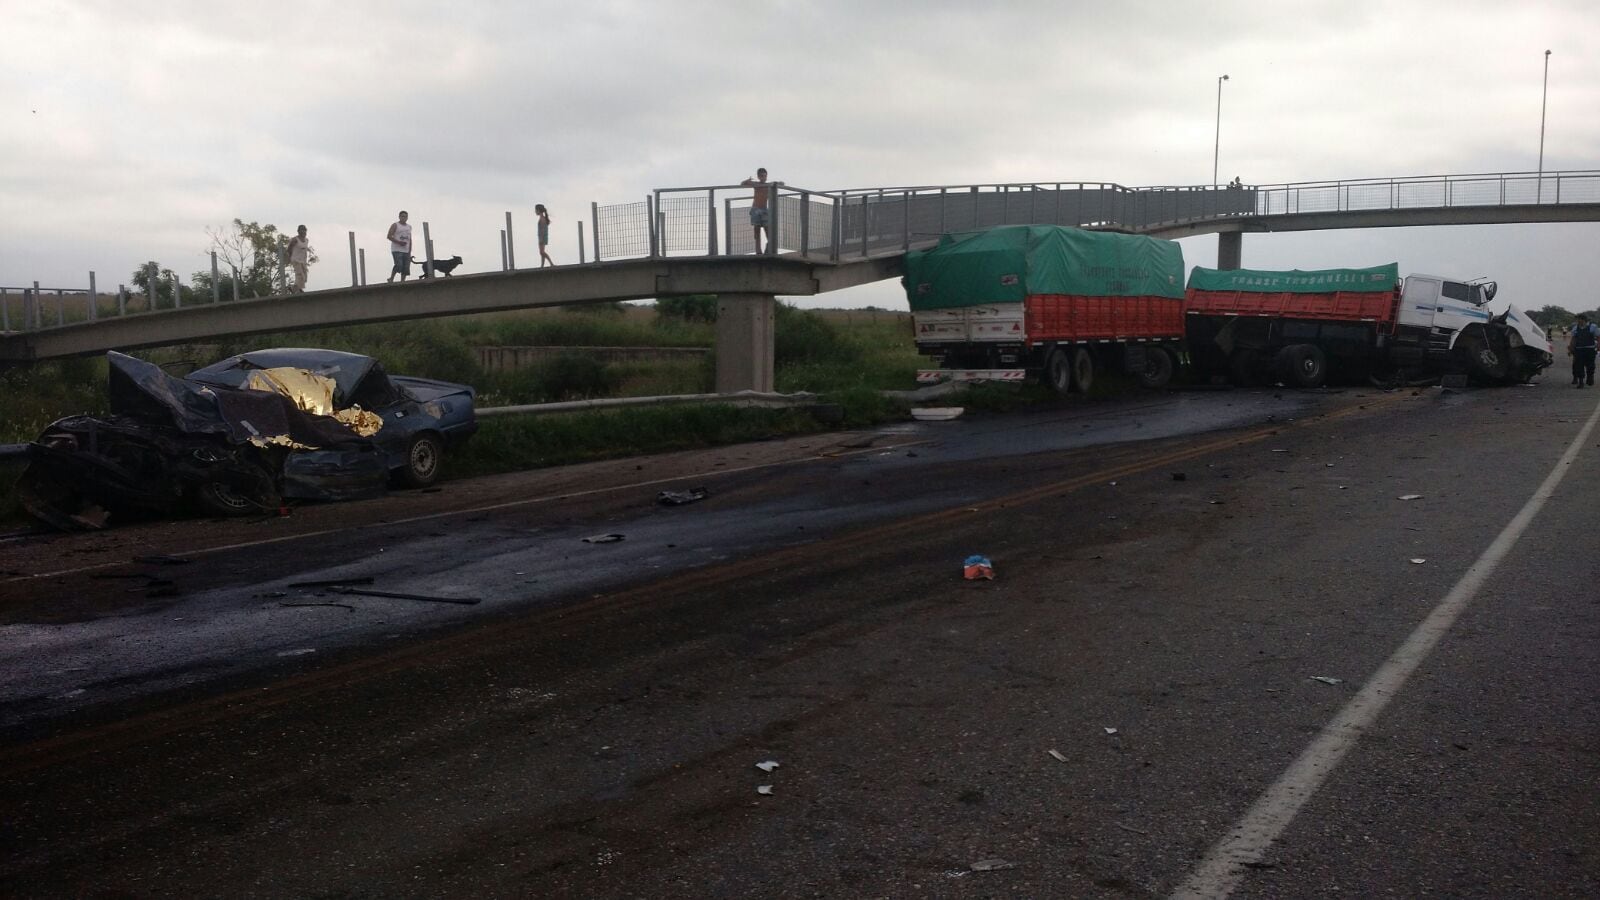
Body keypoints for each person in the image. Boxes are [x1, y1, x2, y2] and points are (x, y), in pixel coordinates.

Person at [740, 168, 782, 254]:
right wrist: (747, 180)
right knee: (757, 230)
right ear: (759, 177)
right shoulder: (756, 184)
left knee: (768, 230)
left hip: (764, 209)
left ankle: (769, 247)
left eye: (765, 176)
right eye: (762, 176)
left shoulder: (768, 185)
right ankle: (758, 251)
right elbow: (742, 184)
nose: (764, 178)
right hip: (756, 209)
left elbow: (781, 184)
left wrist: (777, 183)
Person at [1569, 314, 1597, 387]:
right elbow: (1573, 339)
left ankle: (1590, 378)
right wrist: (1571, 348)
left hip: (1590, 349)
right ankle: (1581, 382)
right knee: (1579, 365)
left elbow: (1598, 337)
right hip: (1579, 349)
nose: (1577, 321)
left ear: (1583, 319)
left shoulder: (1592, 327)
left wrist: (1598, 346)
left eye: (1578, 319)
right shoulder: (1575, 328)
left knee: (1590, 365)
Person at [387, 211, 413, 283]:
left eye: (405, 216)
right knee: (399, 265)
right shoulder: (395, 225)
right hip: (397, 249)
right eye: (402, 216)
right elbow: (389, 236)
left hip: (406, 249)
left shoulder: (409, 227)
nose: (404, 218)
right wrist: (399, 242)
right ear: (399, 217)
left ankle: (402, 281)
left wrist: (410, 249)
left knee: (406, 267)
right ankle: (391, 278)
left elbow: (410, 239)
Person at [285, 225, 311, 293]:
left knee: (304, 277)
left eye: (304, 230)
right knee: (300, 275)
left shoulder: (306, 240)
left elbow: (304, 251)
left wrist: (305, 261)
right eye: (302, 230)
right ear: (298, 231)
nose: (303, 232)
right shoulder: (295, 240)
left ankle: (295, 288)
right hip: (295, 260)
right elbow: (288, 249)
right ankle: (296, 290)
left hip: (303, 261)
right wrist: (290, 258)